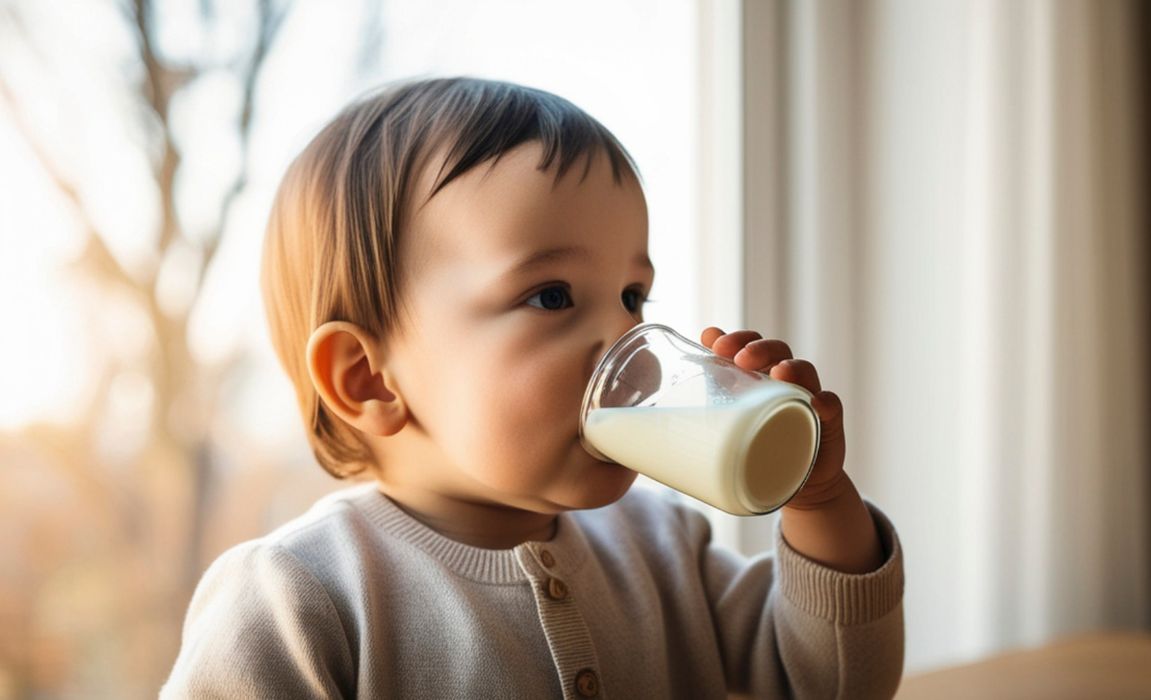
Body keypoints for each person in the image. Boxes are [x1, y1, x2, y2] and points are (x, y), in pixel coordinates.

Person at [161, 76, 904, 699]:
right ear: (367, 379)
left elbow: (832, 685)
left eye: (632, 296)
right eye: (552, 295)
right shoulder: (299, 601)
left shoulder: (663, 544)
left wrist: (819, 501)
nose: (626, 341)